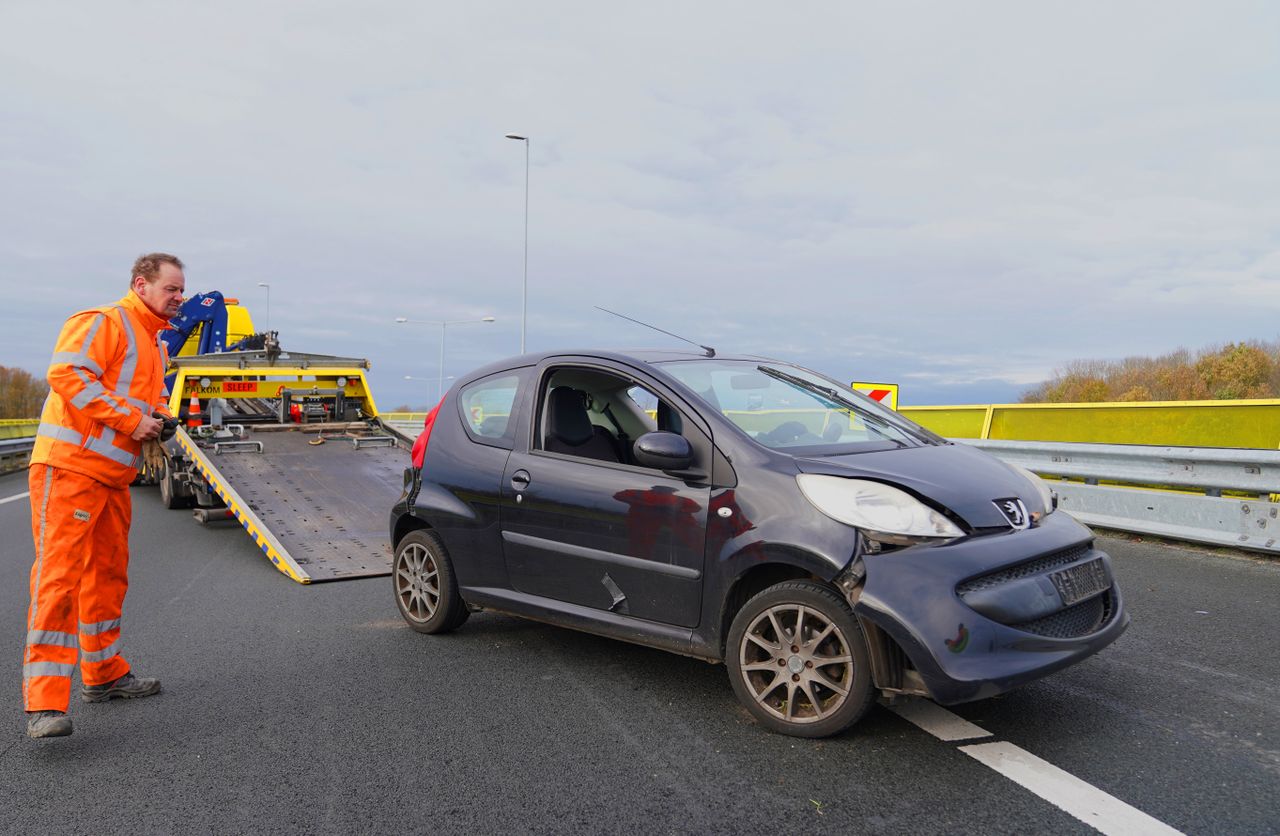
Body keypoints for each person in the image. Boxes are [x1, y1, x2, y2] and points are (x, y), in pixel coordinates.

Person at [22, 253, 185, 739]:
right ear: (141, 284)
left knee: (107, 578)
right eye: (172, 289)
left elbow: (143, 399)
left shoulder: (155, 344)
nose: (180, 298)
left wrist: (159, 418)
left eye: (181, 290)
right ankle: (44, 704)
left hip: (112, 476)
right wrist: (137, 422)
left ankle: (104, 673)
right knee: (59, 579)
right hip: (70, 468)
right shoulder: (102, 321)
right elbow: (68, 376)